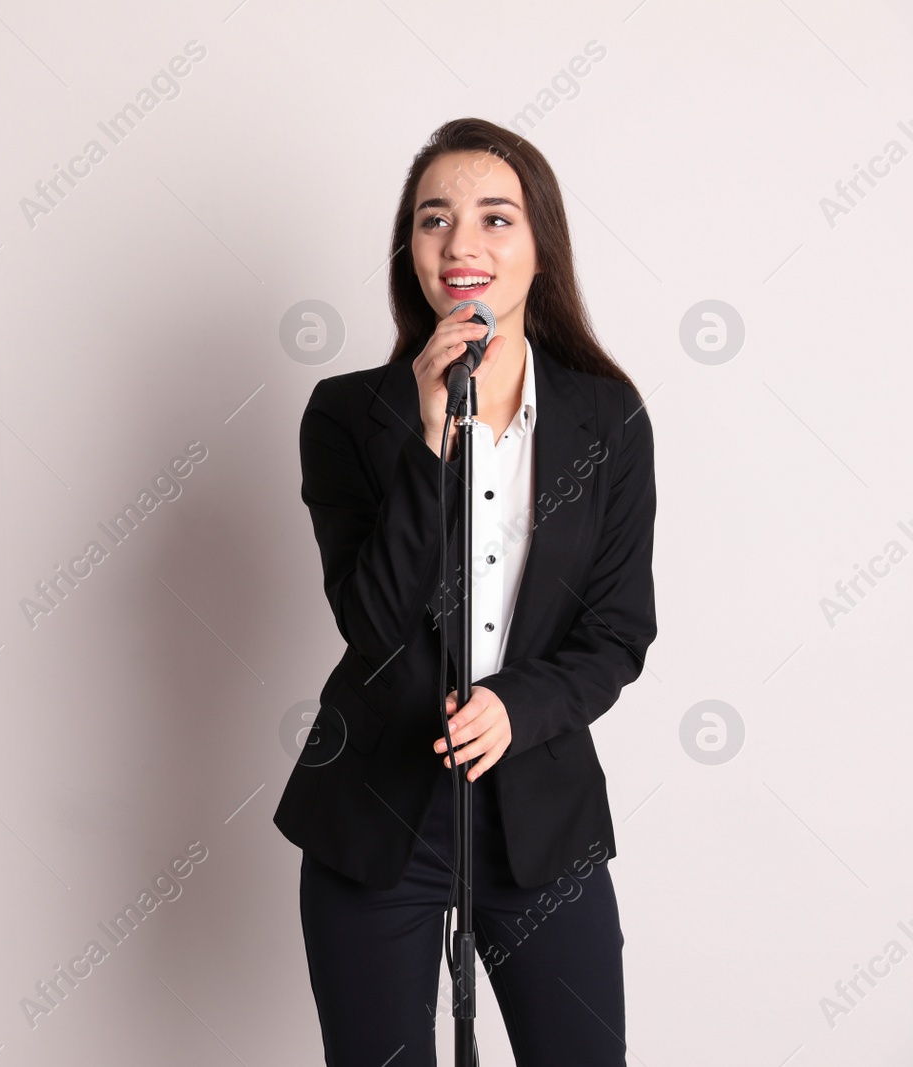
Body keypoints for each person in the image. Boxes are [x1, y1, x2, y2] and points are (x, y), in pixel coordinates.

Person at [272, 117, 657, 1066]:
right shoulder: (347, 415)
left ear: (539, 249)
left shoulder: (609, 418)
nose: (463, 244)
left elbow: (618, 632)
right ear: (411, 251)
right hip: (374, 813)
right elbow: (369, 623)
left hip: (542, 815)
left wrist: (514, 708)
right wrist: (433, 430)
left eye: (496, 217)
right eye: (434, 219)